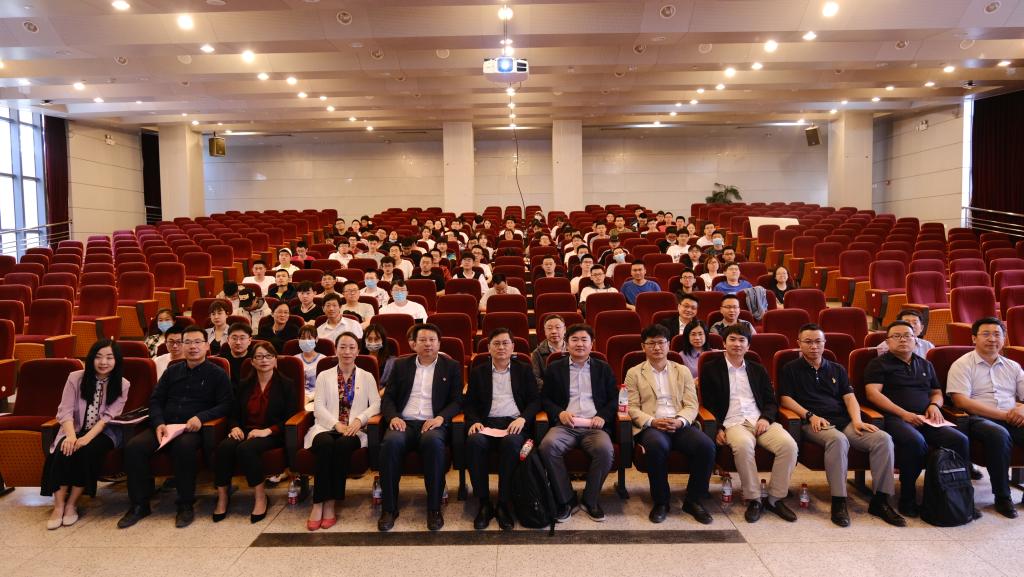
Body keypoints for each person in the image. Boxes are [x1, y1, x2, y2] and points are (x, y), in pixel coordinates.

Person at [779, 324, 906, 527]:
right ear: (799, 344)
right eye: (808, 342)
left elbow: (849, 398)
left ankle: (881, 501)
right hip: (812, 423)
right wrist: (810, 415)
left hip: (843, 421)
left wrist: (857, 420)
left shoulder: (836, 369)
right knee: (837, 440)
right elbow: (785, 399)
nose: (814, 346)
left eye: (818, 341)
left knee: (883, 439)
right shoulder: (790, 368)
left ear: (824, 343)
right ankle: (839, 501)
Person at [119, 325, 233, 529]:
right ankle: (139, 505)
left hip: (192, 428)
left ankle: (185, 504)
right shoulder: (172, 371)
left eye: (197, 342)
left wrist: (201, 417)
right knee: (134, 447)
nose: (192, 347)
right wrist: (159, 423)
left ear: (207, 346)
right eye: (187, 342)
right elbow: (155, 400)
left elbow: (226, 404)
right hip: (166, 425)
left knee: (184, 447)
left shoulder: (217, 373)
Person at [864, 320, 973, 518]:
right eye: (896, 336)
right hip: (894, 418)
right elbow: (873, 394)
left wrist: (934, 405)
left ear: (916, 339)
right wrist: (903, 413)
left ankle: (959, 495)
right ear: (887, 341)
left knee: (959, 440)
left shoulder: (925, 364)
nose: (903, 340)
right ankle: (908, 496)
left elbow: (936, 392)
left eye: (908, 335)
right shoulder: (878, 363)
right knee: (915, 441)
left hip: (926, 417)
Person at [700, 324, 798, 523]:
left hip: (759, 420)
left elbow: (771, 401)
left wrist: (765, 418)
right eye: (732, 339)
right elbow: (707, 404)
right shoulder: (711, 369)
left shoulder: (757, 369)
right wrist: (717, 428)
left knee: (789, 446)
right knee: (744, 446)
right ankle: (754, 499)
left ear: (748, 345)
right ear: (724, 343)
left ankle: (775, 498)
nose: (737, 344)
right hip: (733, 423)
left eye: (742, 340)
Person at [626, 324, 716, 524]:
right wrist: (653, 421)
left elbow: (692, 404)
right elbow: (631, 407)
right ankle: (661, 502)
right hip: (652, 425)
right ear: (643, 346)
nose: (657, 347)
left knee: (706, 446)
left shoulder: (682, 371)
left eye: (661, 342)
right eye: (651, 343)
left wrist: (680, 421)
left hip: (679, 422)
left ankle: (693, 500)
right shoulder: (634, 373)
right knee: (657, 446)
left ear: (668, 345)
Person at [377, 323, 463, 532]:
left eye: (432, 340)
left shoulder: (451, 366)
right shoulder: (400, 365)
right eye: (422, 340)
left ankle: (434, 508)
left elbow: (457, 401)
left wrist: (441, 418)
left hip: (432, 423)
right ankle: (389, 509)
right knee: (391, 443)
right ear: (413, 344)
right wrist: (393, 417)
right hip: (404, 422)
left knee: (433, 443)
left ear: (439, 343)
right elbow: (388, 398)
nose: (428, 344)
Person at [42, 340, 130, 530]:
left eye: (109, 357)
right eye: (98, 357)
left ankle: (72, 504)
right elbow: (65, 411)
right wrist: (71, 436)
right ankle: (58, 506)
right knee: (63, 450)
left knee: (86, 451)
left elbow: (108, 418)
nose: (103, 362)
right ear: (91, 359)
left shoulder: (122, 384)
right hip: (73, 428)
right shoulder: (75, 378)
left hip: (104, 432)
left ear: (116, 360)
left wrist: (86, 438)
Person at [946, 317, 1024, 518]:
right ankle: (1003, 497)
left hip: (1011, 417)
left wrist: (1022, 409)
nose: (992, 339)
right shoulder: (962, 364)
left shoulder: (1013, 366)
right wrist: (1004, 415)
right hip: (977, 418)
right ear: (974, 338)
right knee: (999, 434)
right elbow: (961, 401)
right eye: (986, 334)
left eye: (997, 334)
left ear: (1004, 338)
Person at [539, 324, 617, 522]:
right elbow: (545, 399)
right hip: (566, 425)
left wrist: (603, 416)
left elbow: (614, 399)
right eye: (574, 339)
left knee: (605, 450)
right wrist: (560, 413)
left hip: (594, 426)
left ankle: (591, 500)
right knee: (548, 446)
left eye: (584, 340)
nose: (579, 344)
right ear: (567, 343)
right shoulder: (555, 368)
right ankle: (566, 499)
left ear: (592, 344)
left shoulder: (603, 368)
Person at [304, 332, 381, 530]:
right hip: (326, 427)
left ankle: (330, 504)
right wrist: (336, 424)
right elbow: (318, 407)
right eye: (343, 347)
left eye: (351, 347)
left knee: (342, 445)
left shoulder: (367, 376)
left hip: (354, 430)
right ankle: (318, 503)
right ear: (335, 350)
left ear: (358, 351)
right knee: (325, 444)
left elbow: (376, 404)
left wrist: (359, 419)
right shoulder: (324, 375)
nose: (347, 351)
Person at [465, 328, 540, 530]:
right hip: (487, 423)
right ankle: (484, 502)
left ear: (513, 347)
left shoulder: (524, 369)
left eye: (505, 343)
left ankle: (504, 503)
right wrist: (474, 421)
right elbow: (469, 404)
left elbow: (535, 401)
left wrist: (523, 419)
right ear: (488, 348)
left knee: (511, 443)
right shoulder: (478, 371)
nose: (501, 347)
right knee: (474, 442)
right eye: (496, 343)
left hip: (514, 423)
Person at [212, 341, 295, 524]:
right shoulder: (244, 385)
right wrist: (234, 427)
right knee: (224, 447)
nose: (264, 360)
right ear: (252, 362)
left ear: (275, 360)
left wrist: (267, 431)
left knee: (246, 449)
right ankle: (223, 497)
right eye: (259, 357)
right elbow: (233, 414)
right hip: (246, 430)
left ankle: (260, 497)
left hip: (273, 433)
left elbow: (290, 417)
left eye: (268, 356)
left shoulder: (286, 385)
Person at [531, 314, 566, 389]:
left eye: (557, 327)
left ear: (564, 329)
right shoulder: (537, 353)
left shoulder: (573, 349)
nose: (554, 331)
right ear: (545, 332)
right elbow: (535, 378)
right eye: (549, 328)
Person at [294, 325, 324, 408]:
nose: (306, 341)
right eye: (303, 338)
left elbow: (325, 386)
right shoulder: (294, 360)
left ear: (316, 339)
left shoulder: (323, 360)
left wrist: (309, 398)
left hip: (317, 399)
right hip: (296, 398)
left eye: (309, 338)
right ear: (298, 340)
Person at [218, 322, 254, 387]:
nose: (238, 342)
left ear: (249, 340)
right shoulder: (220, 360)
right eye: (234, 338)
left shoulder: (255, 360)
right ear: (228, 340)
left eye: (242, 338)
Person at [361, 323, 397, 388]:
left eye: (376, 339)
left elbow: (392, 385)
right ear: (364, 340)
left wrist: (377, 394)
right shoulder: (358, 360)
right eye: (369, 339)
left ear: (383, 341)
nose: (373, 342)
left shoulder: (392, 362)